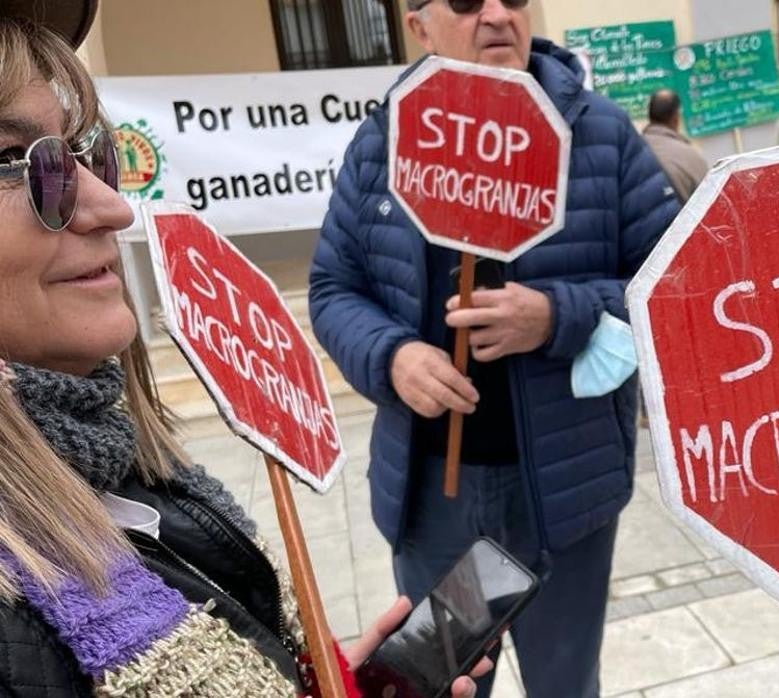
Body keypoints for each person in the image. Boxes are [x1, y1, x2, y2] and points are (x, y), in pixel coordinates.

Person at [0, 2, 487, 695]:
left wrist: (294, 678)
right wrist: (390, 354)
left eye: (88, 153)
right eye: (24, 165)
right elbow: (336, 287)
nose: (113, 206)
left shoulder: (112, 456)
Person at [308, 1, 680, 696]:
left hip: (564, 502)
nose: (496, 16)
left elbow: (677, 285)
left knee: (564, 684)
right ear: (418, 26)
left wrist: (559, 316)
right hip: (437, 501)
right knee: (442, 685)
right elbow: (333, 286)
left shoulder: (601, 134)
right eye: (466, 1)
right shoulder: (383, 139)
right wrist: (391, 356)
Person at [643, 88, 710, 203]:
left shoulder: (633, 150)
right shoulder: (690, 156)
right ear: (676, 117)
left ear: (650, 116)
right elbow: (708, 201)